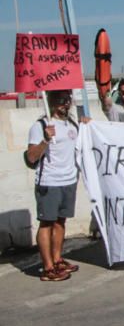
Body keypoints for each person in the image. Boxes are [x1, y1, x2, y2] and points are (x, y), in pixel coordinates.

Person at [25, 90, 88, 281]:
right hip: (49, 182)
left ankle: (58, 258)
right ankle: (48, 267)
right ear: (51, 101)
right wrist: (45, 139)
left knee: (61, 221)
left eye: (67, 100)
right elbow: (31, 156)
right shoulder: (41, 125)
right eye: (60, 100)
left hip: (68, 180)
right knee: (47, 223)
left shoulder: (71, 124)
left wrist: (87, 125)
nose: (65, 104)